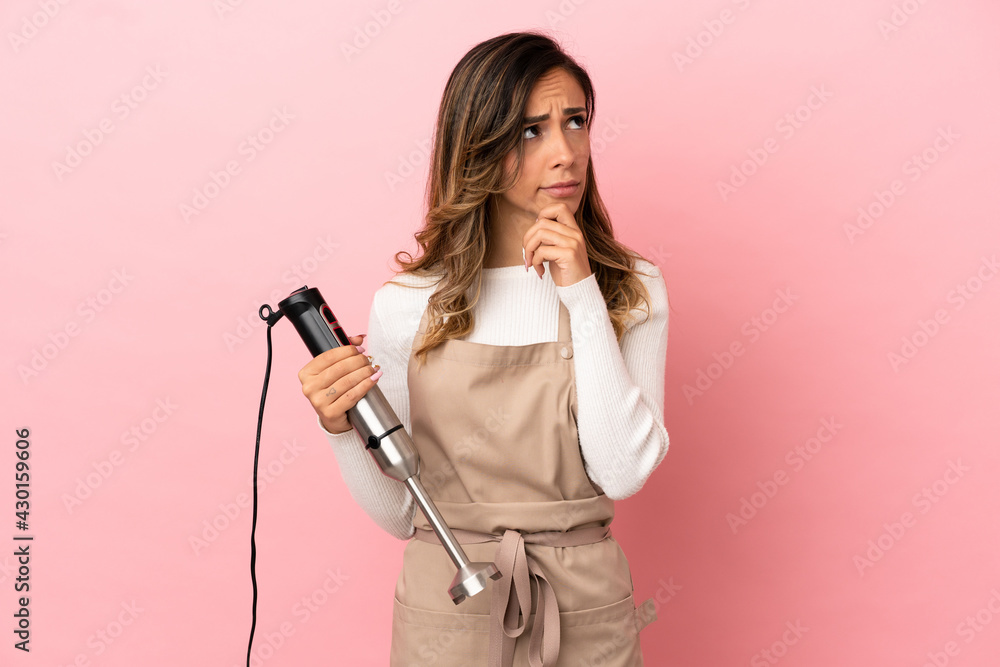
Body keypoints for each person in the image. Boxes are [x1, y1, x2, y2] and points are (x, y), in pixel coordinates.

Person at [298, 31, 670, 666]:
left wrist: (581, 295)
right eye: (531, 131)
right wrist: (340, 428)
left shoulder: (628, 288)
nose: (565, 154)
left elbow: (623, 471)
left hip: (582, 612)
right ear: (477, 147)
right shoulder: (409, 301)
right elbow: (399, 512)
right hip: (448, 606)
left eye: (575, 121)